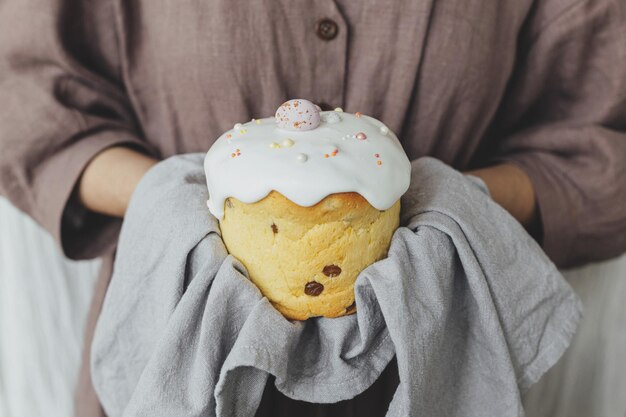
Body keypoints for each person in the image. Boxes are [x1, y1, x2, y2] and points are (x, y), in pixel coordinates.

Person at [0, 1, 625, 416]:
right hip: (170, 354)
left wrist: (442, 204)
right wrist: (175, 199)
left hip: (435, 374)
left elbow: (601, 145)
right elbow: (22, 97)